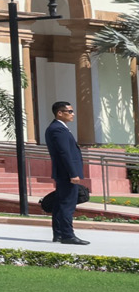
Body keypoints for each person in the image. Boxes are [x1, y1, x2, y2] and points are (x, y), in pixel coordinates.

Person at [42, 100, 89, 246]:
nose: (72, 114)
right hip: (66, 174)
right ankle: (68, 235)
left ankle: (59, 234)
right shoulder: (58, 129)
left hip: (64, 173)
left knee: (60, 204)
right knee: (67, 205)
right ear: (60, 113)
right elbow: (64, 153)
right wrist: (73, 173)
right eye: (70, 111)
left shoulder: (58, 128)